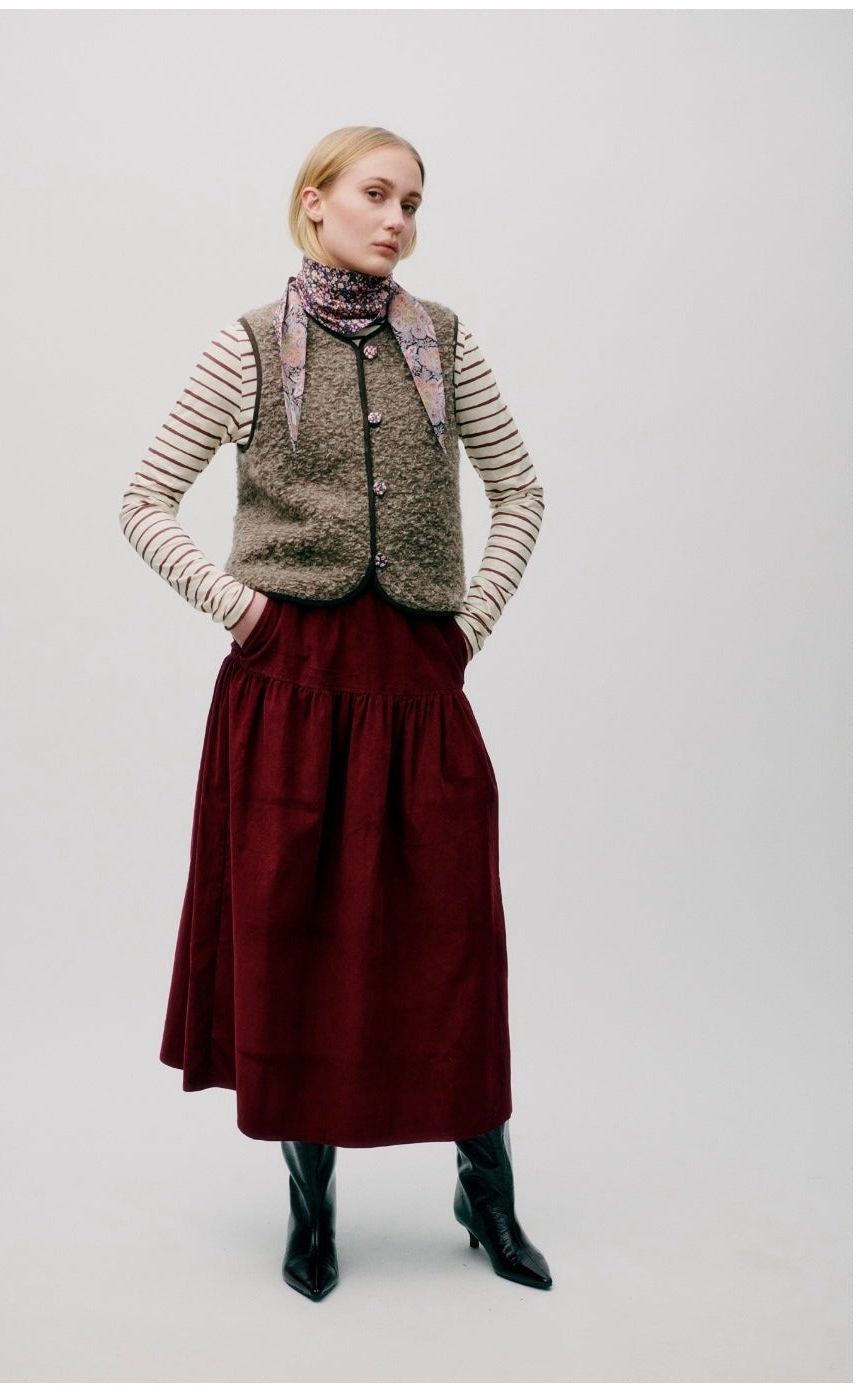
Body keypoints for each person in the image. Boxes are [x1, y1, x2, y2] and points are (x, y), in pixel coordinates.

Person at [119, 126, 553, 1301]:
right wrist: (240, 608)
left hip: (417, 684)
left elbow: (520, 491)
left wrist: (470, 624)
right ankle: (311, 1211)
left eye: (413, 201)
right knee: (294, 934)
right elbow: (146, 498)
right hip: (289, 691)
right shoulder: (250, 344)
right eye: (376, 194)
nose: (398, 219)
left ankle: (486, 1187)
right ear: (314, 204)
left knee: (453, 938)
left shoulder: (444, 345)